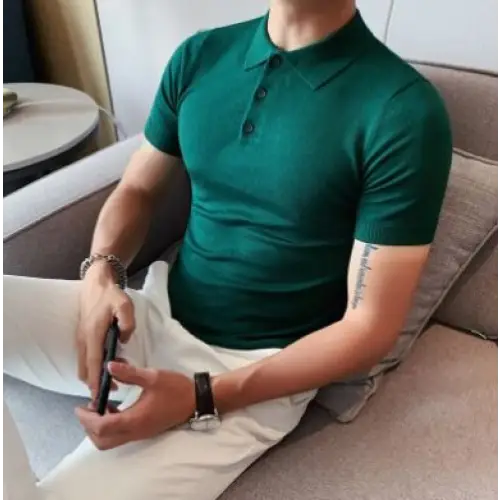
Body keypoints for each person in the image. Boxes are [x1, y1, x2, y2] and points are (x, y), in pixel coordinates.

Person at [0, 1, 452, 499]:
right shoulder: (200, 55)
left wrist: (200, 396)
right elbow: (137, 189)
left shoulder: (403, 110)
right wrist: (101, 275)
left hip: (252, 376)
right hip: (149, 317)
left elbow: (371, 327)